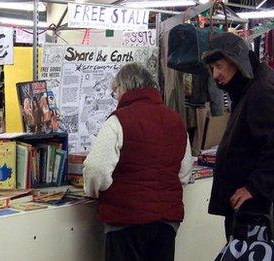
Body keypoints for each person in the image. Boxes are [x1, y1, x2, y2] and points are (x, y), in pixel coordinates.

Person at [83, 63, 193, 261]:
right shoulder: (176, 119)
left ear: (124, 87)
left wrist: (92, 191)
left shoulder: (118, 120)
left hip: (126, 219)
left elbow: (96, 168)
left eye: (114, 91)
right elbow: (184, 172)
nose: (115, 97)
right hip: (167, 221)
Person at [202, 33, 274, 240]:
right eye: (211, 69)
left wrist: (254, 187)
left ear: (236, 60)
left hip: (255, 208)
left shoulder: (261, 90)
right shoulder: (248, 86)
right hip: (246, 206)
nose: (215, 75)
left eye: (219, 66)